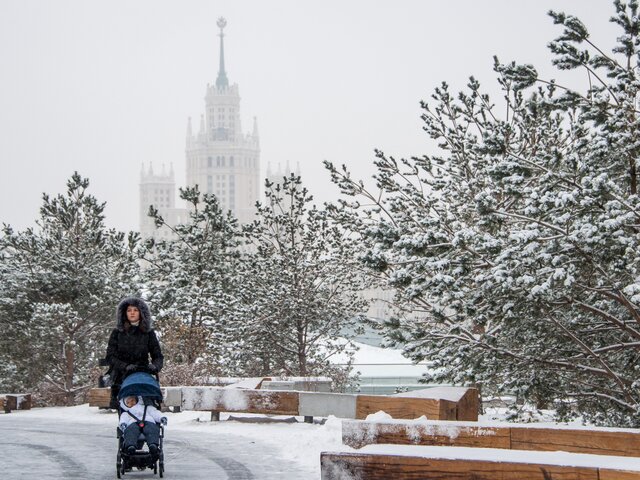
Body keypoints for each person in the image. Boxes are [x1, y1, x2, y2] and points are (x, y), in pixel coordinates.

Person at [105, 297, 164, 409]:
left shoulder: (148, 333)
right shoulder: (117, 333)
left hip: (143, 373)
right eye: (129, 310)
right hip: (122, 375)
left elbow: (157, 355)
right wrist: (125, 366)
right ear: (124, 313)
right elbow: (110, 356)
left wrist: (155, 366)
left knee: (148, 407)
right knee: (125, 410)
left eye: (135, 310)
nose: (132, 313)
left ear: (141, 313)